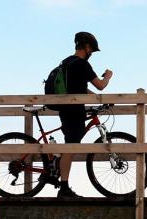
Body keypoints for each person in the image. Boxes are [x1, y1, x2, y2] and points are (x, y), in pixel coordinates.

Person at [57, 32, 113, 198]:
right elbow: (100, 86)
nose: (91, 54)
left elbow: (80, 90)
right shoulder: (82, 65)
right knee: (71, 147)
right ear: (87, 47)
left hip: (65, 109)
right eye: (92, 50)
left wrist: (96, 101)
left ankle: (60, 176)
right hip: (74, 111)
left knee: (71, 145)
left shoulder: (66, 62)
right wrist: (108, 76)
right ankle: (64, 187)